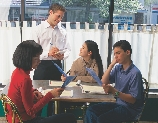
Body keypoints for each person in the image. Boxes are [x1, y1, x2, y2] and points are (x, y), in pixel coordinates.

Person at [7, 40, 76, 123]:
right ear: (27, 59)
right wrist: (50, 95)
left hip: (15, 118)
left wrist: (33, 92)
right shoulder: (25, 79)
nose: (39, 62)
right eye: (36, 59)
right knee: (70, 118)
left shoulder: (17, 71)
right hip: (25, 120)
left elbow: (21, 91)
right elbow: (31, 111)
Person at [85, 40, 144, 123]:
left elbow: (132, 100)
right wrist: (111, 65)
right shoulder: (118, 68)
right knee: (91, 111)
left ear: (127, 52)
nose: (115, 56)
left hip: (130, 109)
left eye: (118, 53)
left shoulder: (135, 73)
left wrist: (114, 91)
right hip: (118, 103)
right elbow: (103, 82)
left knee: (102, 119)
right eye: (114, 53)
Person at [30, 3, 71, 80]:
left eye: (61, 17)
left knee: (58, 90)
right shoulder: (37, 30)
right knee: (39, 90)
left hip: (58, 66)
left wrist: (63, 55)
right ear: (51, 12)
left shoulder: (63, 31)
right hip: (41, 65)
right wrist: (48, 53)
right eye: (58, 16)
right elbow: (33, 51)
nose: (59, 20)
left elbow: (68, 49)